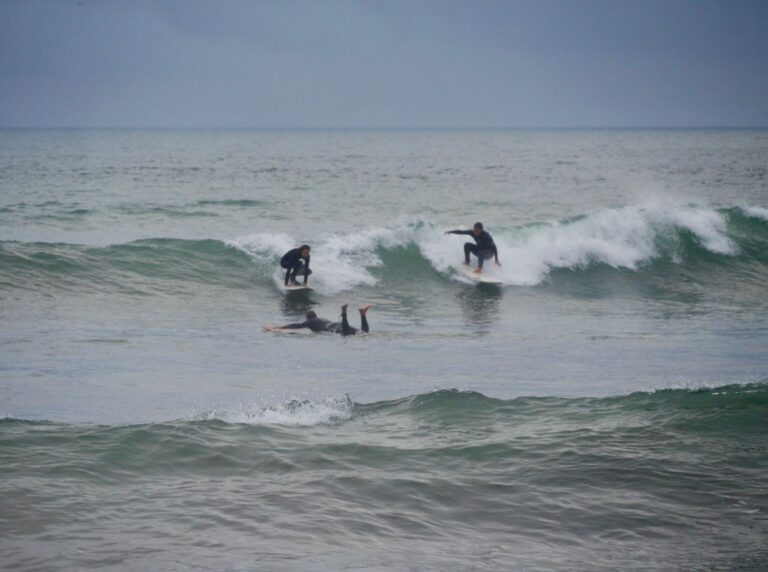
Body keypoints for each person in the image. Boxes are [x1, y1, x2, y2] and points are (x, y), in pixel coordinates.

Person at [264, 304, 373, 336]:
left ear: (308, 318)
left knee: (345, 333)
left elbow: (297, 325)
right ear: (316, 315)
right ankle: (362, 314)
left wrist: (280, 327)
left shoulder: (310, 322)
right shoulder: (322, 318)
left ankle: (344, 313)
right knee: (364, 333)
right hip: (336, 324)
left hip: (332, 328)